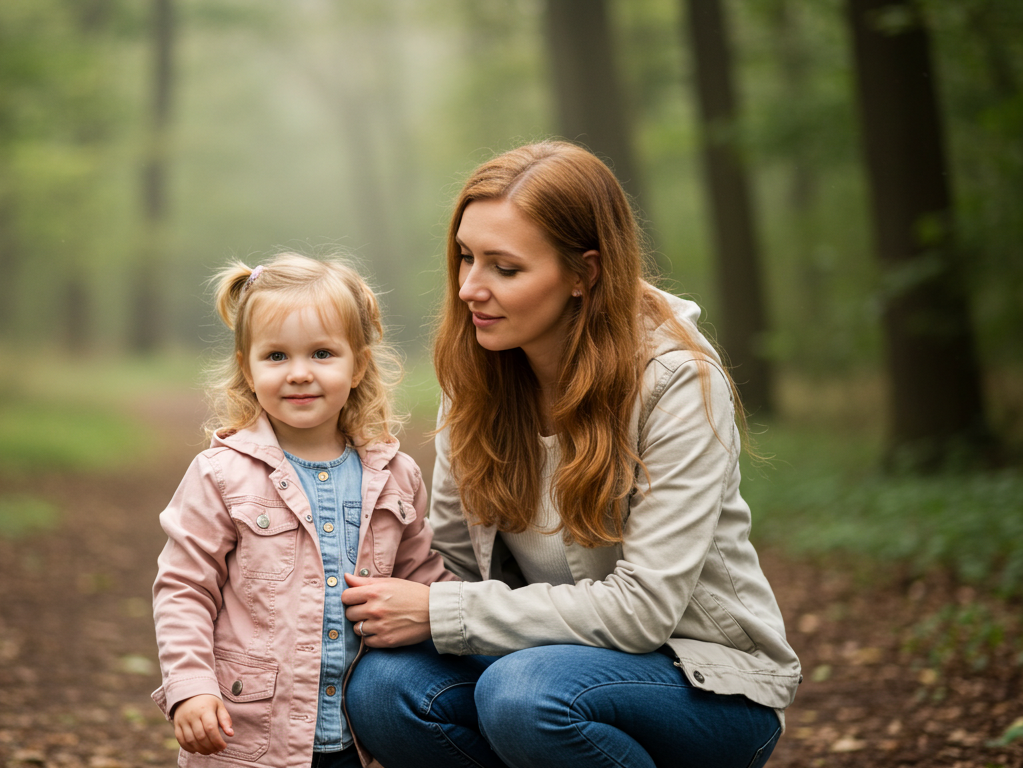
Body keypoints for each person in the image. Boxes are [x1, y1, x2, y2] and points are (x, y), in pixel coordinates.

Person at [340, 141, 801, 768]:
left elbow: (642, 613)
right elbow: (451, 567)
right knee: (385, 689)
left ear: (584, 273)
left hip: (702, 684)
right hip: (537, 660)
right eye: (465, 258)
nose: (471, 287)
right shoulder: (478, 378)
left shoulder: (676, 383)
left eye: (505, 268)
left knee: (524, 696)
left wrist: (440, 611)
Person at [151, 253, 454, 768]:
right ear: (246, 367)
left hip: (357, 736)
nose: (298, 374)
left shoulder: (394, 476)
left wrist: (473, 620)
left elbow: (422, 582)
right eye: (275, 356)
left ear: (357, 364)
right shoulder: (220, 474)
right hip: (248, 735)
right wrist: (190, 687)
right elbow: (183, 588)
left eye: (321, 353)